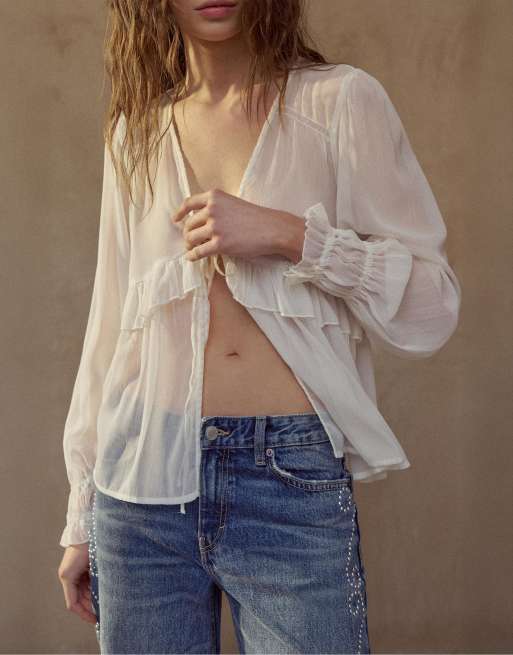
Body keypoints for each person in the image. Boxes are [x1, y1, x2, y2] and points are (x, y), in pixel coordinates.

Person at [57, 1, 461, 653]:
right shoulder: (136, 132)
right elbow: (109, 331)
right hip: (140, 480)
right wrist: (81, 515)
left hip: (288, 473)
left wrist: (290, 235)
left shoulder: (339, 101)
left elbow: (431, 307)